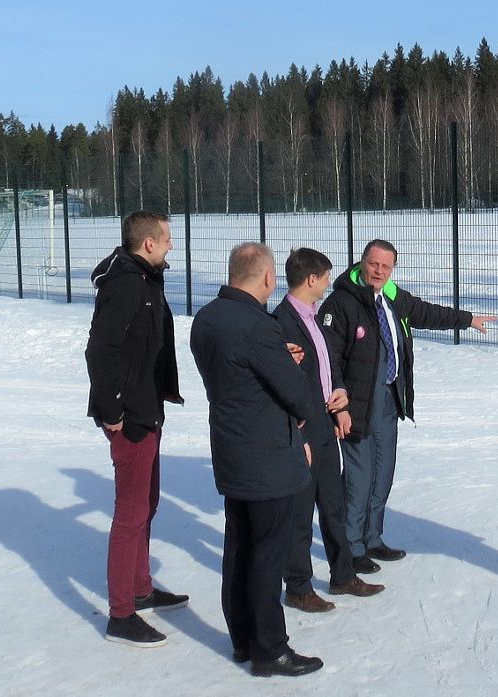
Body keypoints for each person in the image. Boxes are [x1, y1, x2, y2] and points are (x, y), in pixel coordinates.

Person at [320, 239, 498, 573]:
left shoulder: (391, 297)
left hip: (389, 398)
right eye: (374, 264)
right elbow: (328, 358)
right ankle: (352, 545)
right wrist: (338, 402)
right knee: (359, 477)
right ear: (361, 263)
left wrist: (467, 319)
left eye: (386, 267)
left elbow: (426, 312)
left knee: (383, 472)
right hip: (357, 404)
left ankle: (372, 538)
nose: (379, 272)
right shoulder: (341, 303)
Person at [189, 242, 323, 677]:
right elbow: (296, 393)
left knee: (239, 549)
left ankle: (244, 639)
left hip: (231, 451)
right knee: (267, 555)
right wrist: (290, 366)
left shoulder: (206, 318)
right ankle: (270, 649)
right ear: (267, 277)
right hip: (267, 459)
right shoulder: (257, 326)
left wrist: (279, 359)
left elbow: (239, 373)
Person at [84, 210, 188, 648]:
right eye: (166, 240)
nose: (170, 246)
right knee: (129, 514)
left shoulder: (146, 277)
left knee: (147, 502)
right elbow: (99, 351)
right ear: (148, 243)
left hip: (148, 408)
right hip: (129, 416)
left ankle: (141, 589)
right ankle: (121, 614)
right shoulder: (127, 283)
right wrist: (112, 413)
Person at [273, 248, 385, 612]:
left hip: (325, 423)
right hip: (303, 431)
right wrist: (298, 432)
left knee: (332, 505)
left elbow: (327, 364)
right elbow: (284, 385)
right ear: (310, 279)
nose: (326, 284)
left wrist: (340, 397)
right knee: (301, 514)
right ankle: (299, 586)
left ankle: (343, 575)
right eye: (323, 278)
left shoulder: (314, 317)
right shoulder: (281, 322)